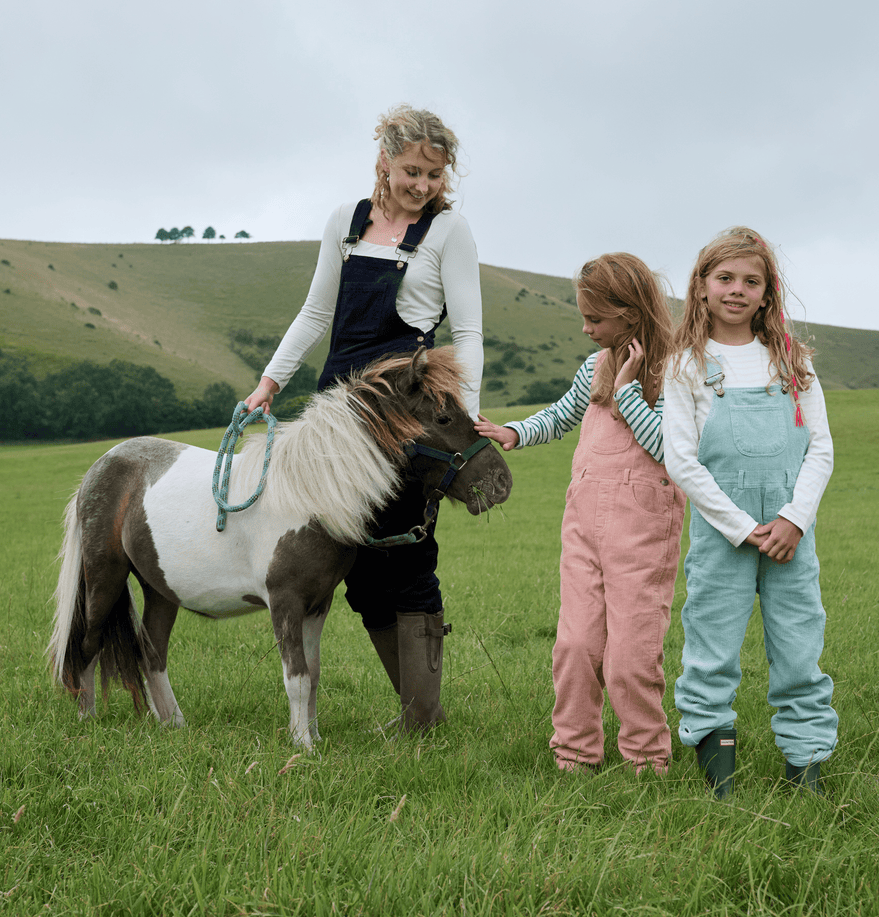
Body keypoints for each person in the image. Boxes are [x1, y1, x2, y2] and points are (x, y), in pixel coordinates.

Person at [243, 105, 483, 734]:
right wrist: (270, 381)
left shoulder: (448, 232)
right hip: (337, 424)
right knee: (356, 567)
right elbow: (316, 312)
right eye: (411, 170)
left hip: (405, 419)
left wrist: (471, 413)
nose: (423, 185)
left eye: (434, 174)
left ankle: (423, 717)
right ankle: (416, 714)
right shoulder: (346, 222)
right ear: (384, 160)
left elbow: (470, 331)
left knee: (407, 556)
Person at [475, 253, 685, 773]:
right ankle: (574, 754)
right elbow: (562, 413)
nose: (586, 328)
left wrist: (628, 391)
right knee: (573, 645)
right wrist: (515, 432)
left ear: (630, 314)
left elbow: (667, 449)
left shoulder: (676, 372)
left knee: (631, 659)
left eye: (595, 318)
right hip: (584, 524)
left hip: (643, 530)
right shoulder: (594, 366)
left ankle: (646, 760)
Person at [662, 227, 837, 798]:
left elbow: (821, 448)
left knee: (798, 645)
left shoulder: (791, 359)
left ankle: (805, 764)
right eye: (726, 278)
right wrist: (742, 527)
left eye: (751, 281)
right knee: (711, 644)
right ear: (703, 287)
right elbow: (681, 460)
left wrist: (793, 520)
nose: (737, 290)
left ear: (768, 293)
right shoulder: (687, 364)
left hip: (791, 534)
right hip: (722, 535)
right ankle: (719, 770)